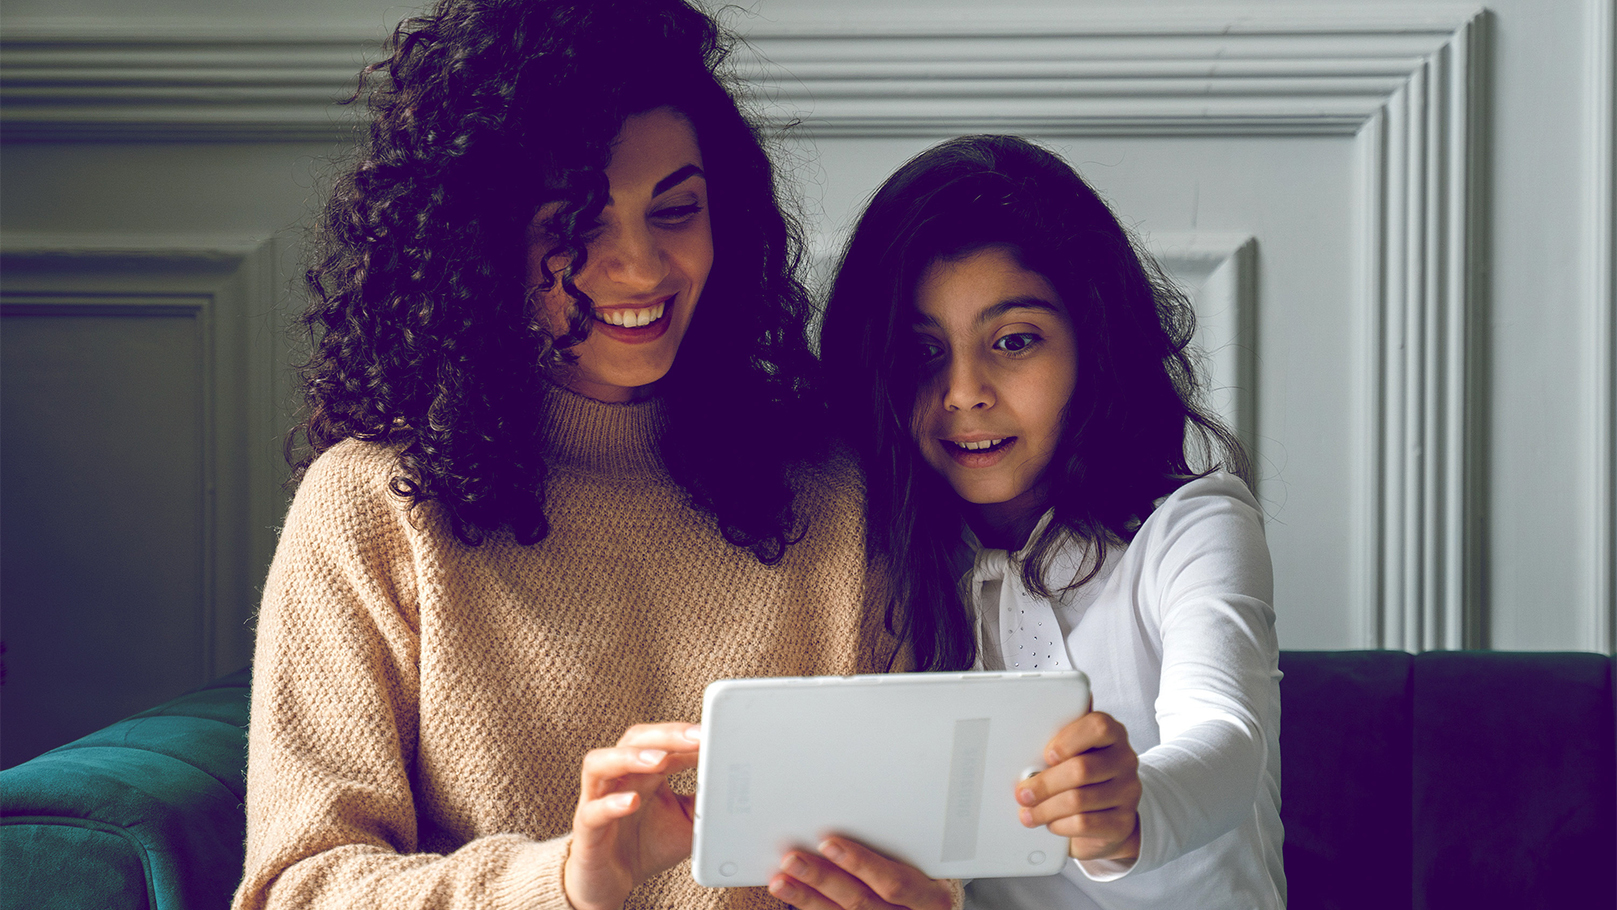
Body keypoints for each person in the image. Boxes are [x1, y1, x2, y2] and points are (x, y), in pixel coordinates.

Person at [231, 2, 955, 909]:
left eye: (676, 210)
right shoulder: (371, 505)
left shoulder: (837, 492)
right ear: (483, 246)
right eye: (575, 224)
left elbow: (919, 844)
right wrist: (564, 885)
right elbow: (300, 887)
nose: (641, 266)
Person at [817, 135, 1285, 909]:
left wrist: (1131, 810)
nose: (963, 391)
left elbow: (1228, 740)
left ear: (1091, 343)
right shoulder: (874, 560)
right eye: (921, 352)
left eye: (1013, 342)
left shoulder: (1192, 529)